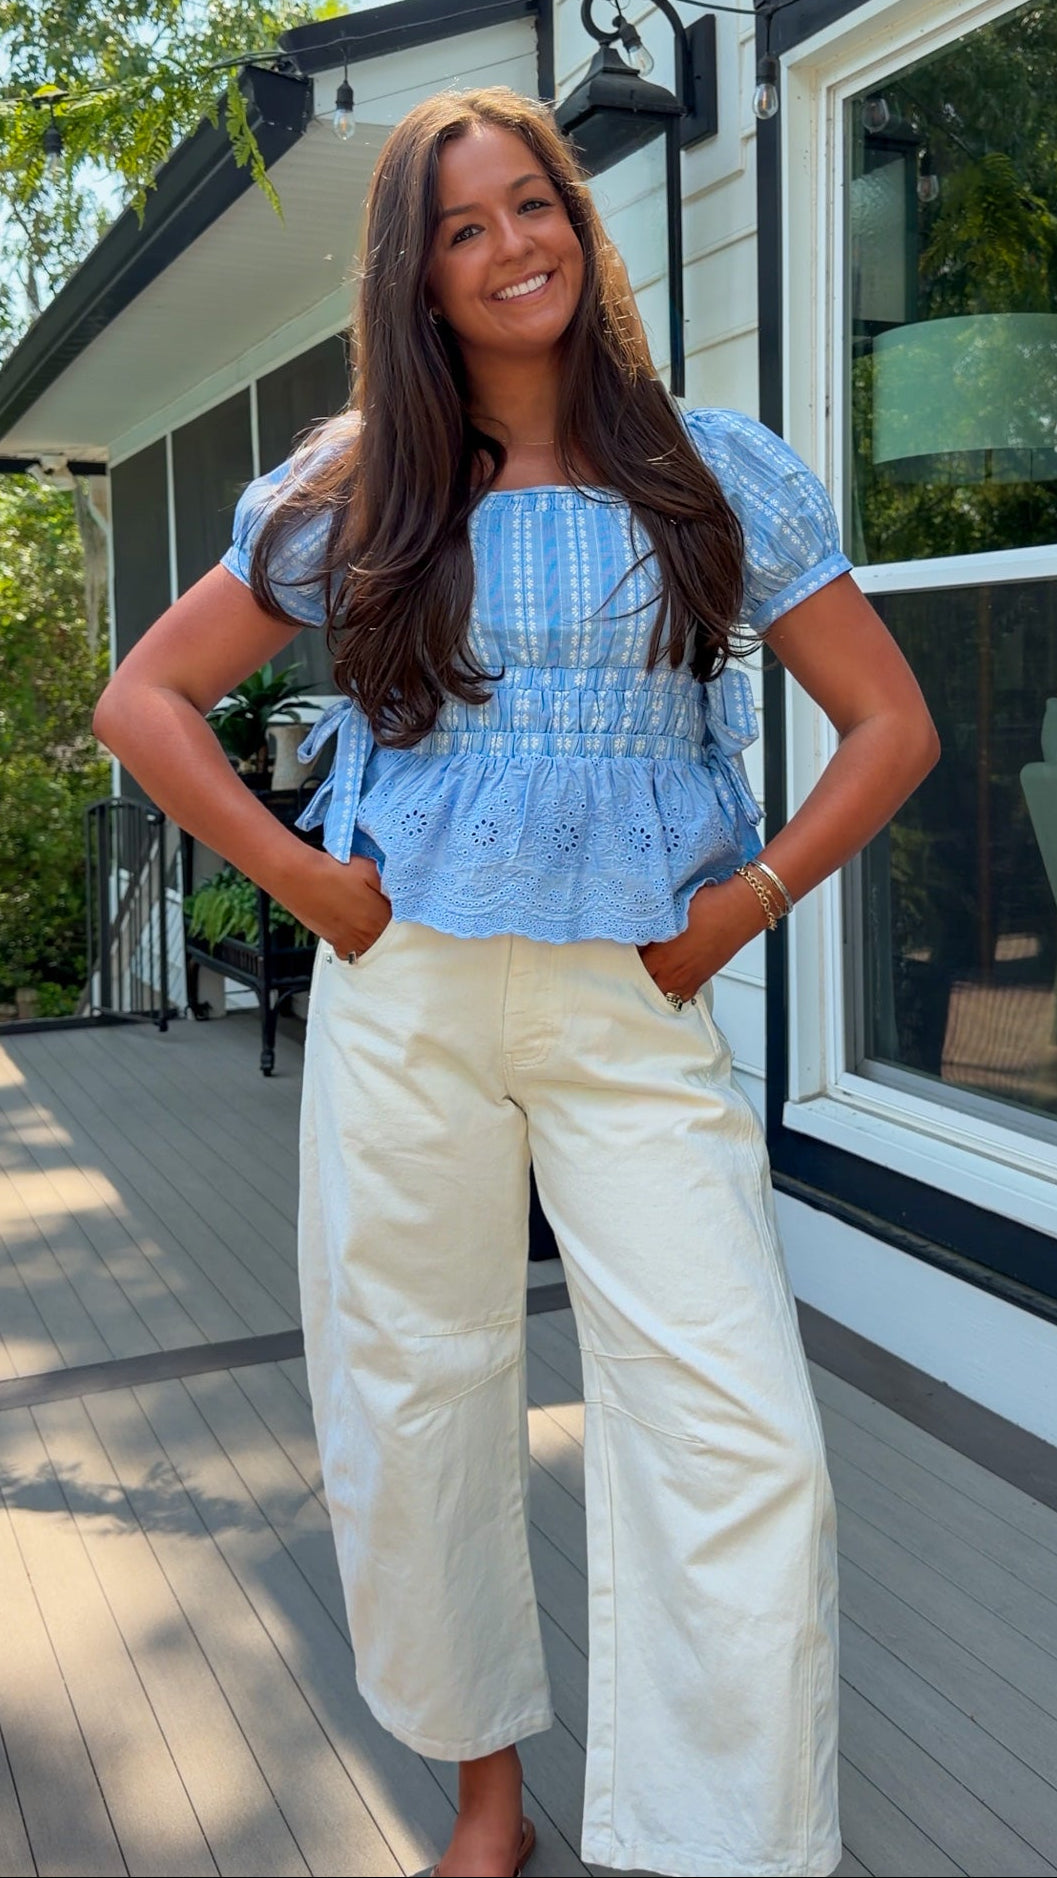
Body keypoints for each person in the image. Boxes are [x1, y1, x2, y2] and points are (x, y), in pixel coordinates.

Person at [94, 86, 938, 1878]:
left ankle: (727, 1837)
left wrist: (743, 906)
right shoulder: (354, 486)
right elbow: (143, 703)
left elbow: (891, 724)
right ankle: (489, 1800)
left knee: (739, 1430)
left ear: (578, 218)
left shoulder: (711, 465)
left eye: (530, 203)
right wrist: (316, 887)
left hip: (638, 995)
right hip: (413, 991)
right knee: (416, 1393)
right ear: (417, 276)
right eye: (462, 227)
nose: (510, 247)